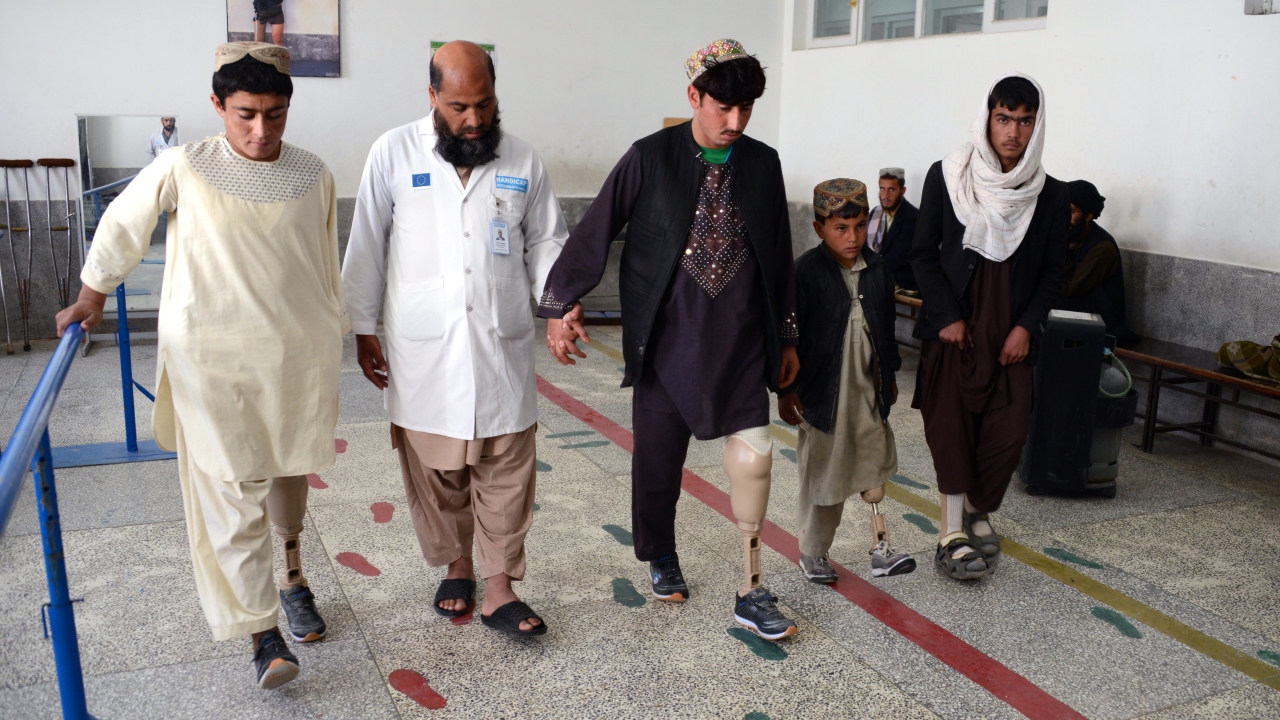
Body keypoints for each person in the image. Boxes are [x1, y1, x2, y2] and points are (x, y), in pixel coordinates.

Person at [55, 42, 347, 688]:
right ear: (216, 105)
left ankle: (293, 576)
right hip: (211, 359)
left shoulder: (314, 173)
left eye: (275, 114)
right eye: (245, 114)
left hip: (295, 356)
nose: (261, 130)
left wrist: (341, 335)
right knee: (228, 488)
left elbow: (326, 266)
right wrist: (90, 295)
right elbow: (123, 225)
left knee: (286, 469)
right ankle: (262, 630)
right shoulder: (184, 166)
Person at [539, 39, 801, 641]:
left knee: (754, 462)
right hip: (667, 340)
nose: (734, 122)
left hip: (741, 341)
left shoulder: (764, 165)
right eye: (722, 108)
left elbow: (781, 261)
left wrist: (787, 338)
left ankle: (752, 585)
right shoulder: (649, 158)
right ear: (693, 96)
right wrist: (560, 303)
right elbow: (596, 228)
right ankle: (659, 552)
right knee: (658, 464)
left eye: (747, 110)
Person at [342, 41, 566, 639]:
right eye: (460, 106)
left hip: (501, 348)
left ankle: (500, 589)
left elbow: (545, 243)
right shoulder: (392, 152)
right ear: (433, 97)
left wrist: (558, 307)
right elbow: (365, 245)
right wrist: (364, 328)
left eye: (486, 104)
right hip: (423, 350)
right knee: (436, 473)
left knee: (507, 471)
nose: (474, 120)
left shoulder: (523, 159)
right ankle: (457, 566)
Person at [909, 74, 1068, 580]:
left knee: (1007, 432)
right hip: (958, 333)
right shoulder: (948, 175)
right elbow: (921, 254)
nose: (1013, 132)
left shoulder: (1052, 194)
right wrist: (946, 316)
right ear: (988, 118)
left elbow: (1052, 275)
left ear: (1036, 126)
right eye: (1004, 118)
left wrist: (1027, 326)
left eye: (1025, 121)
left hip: (1010, 339)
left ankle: (977, 510)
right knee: (952, 429)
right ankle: (951, 535)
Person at [779, 179, 916, 583]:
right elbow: (787, 341)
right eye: (841, 228)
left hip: (867, 390)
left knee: (872, 466)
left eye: (859, 226)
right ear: (820, 228)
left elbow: (886, 329)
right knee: (826, 474)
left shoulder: (877, 269)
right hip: (824, 397)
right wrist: (786, 390)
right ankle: (813, 553)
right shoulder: (805, 273)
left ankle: (881, 546)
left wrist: (889, 374)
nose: (853, 237)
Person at [1056, 180, 1129, 338]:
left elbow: (1070, 290)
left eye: (1072, 212)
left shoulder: (1102, 248)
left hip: (1099, 328)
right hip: (1071, 318)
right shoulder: (1067, 235)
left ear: (1088, 216)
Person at [866, 167, 920, 293]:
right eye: (882, 189)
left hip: (901, 277)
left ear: (903, 190)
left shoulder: (912, 217)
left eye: (892, 189)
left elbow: (898, 257)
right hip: (877, 271)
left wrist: (869, 271)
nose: (885, 195)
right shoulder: (875, 213)